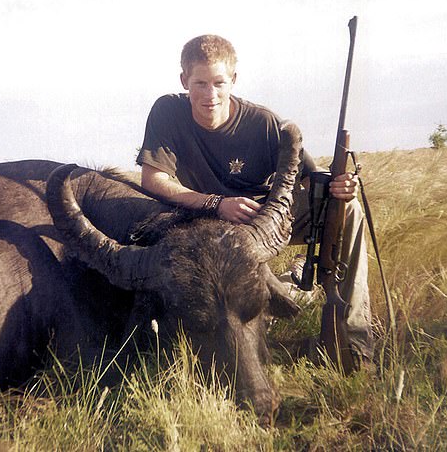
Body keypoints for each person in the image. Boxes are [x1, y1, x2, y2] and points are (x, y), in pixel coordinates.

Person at [135, 34, 373, 366]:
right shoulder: (167, 111)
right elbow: (153, 179)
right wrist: (216, 203)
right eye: (199, 83)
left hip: (261, 223)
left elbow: (311, 177)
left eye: (219, 82)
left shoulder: (263, 123)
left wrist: (339, 189)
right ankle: (293, 288)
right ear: (184, 81)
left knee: (348, 211)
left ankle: (356, 340)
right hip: (203, 227)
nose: (210, 94)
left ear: (233, 80)